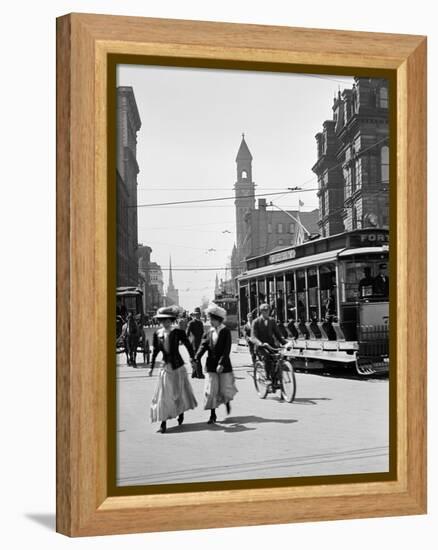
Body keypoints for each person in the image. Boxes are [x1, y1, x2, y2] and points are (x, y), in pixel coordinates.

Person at [149, 306, 198, 433]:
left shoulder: (178, 332)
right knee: (164, 395)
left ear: (172, 320)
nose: (165, 323)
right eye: (162, 320)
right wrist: (151, 366)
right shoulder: (158, 334)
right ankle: (163, 423)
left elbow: (188, 345)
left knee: (178, 393)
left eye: (168, 320)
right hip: (165, 367)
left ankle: (180, 412)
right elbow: (155, 351)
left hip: (178, 367)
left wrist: (193, 358)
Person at [195, 303, 237, 424]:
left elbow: (226, 349)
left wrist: (221, 363)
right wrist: (197, 357)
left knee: (224, 389)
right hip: (211, 366)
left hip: (223, 365)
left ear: (218, 320)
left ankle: (227, 402)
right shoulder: (208, 333)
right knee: (211, 390)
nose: (210, 322)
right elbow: (203, 346)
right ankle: (212, 415)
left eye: (211, 320)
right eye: (209, 319)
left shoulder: (225, 332)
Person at [251, 303, 288, 380]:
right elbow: (253, 337)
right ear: (261, 312)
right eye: (265, 311)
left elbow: (278, 334)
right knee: (267, 357)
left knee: (278, 357)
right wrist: (260, 343)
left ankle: (277, 377)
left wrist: (285, 342)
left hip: (271, 345)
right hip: (261, 347)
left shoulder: (272, 321)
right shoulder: (256, 322)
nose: (267, 312)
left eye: (268, 310)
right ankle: (268, 377)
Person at [186, 307, 205, 378]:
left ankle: (194, 373)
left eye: (198, 314)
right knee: (197, 358)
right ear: (194, 315)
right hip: (194, 343)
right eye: (196, 314)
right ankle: (199, 374)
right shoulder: (191, 323)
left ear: (200, 315)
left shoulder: (200, 323)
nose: (197, 316)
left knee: (195, 358)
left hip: (199, 342)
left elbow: (202, 333)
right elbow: (187, 333)